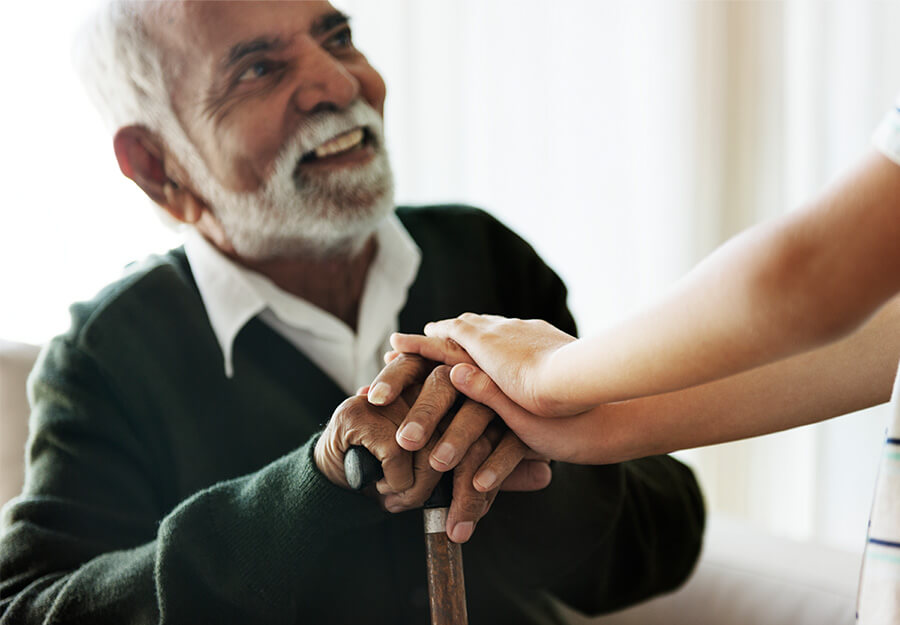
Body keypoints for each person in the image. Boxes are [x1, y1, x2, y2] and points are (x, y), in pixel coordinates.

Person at [0, 2, 704, 624]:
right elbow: (31, 607)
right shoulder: (108, 355)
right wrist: (316, 485)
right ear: (157, 166)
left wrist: (528, 454)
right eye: (258, 70)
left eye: (336, 36)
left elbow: (665, 540)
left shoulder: (484, 254)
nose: (341, 85)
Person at [387, 92, 900, 623]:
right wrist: (595, 424)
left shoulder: (480, 250)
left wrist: (554, 373)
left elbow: (806, 279)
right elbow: (879, 336)